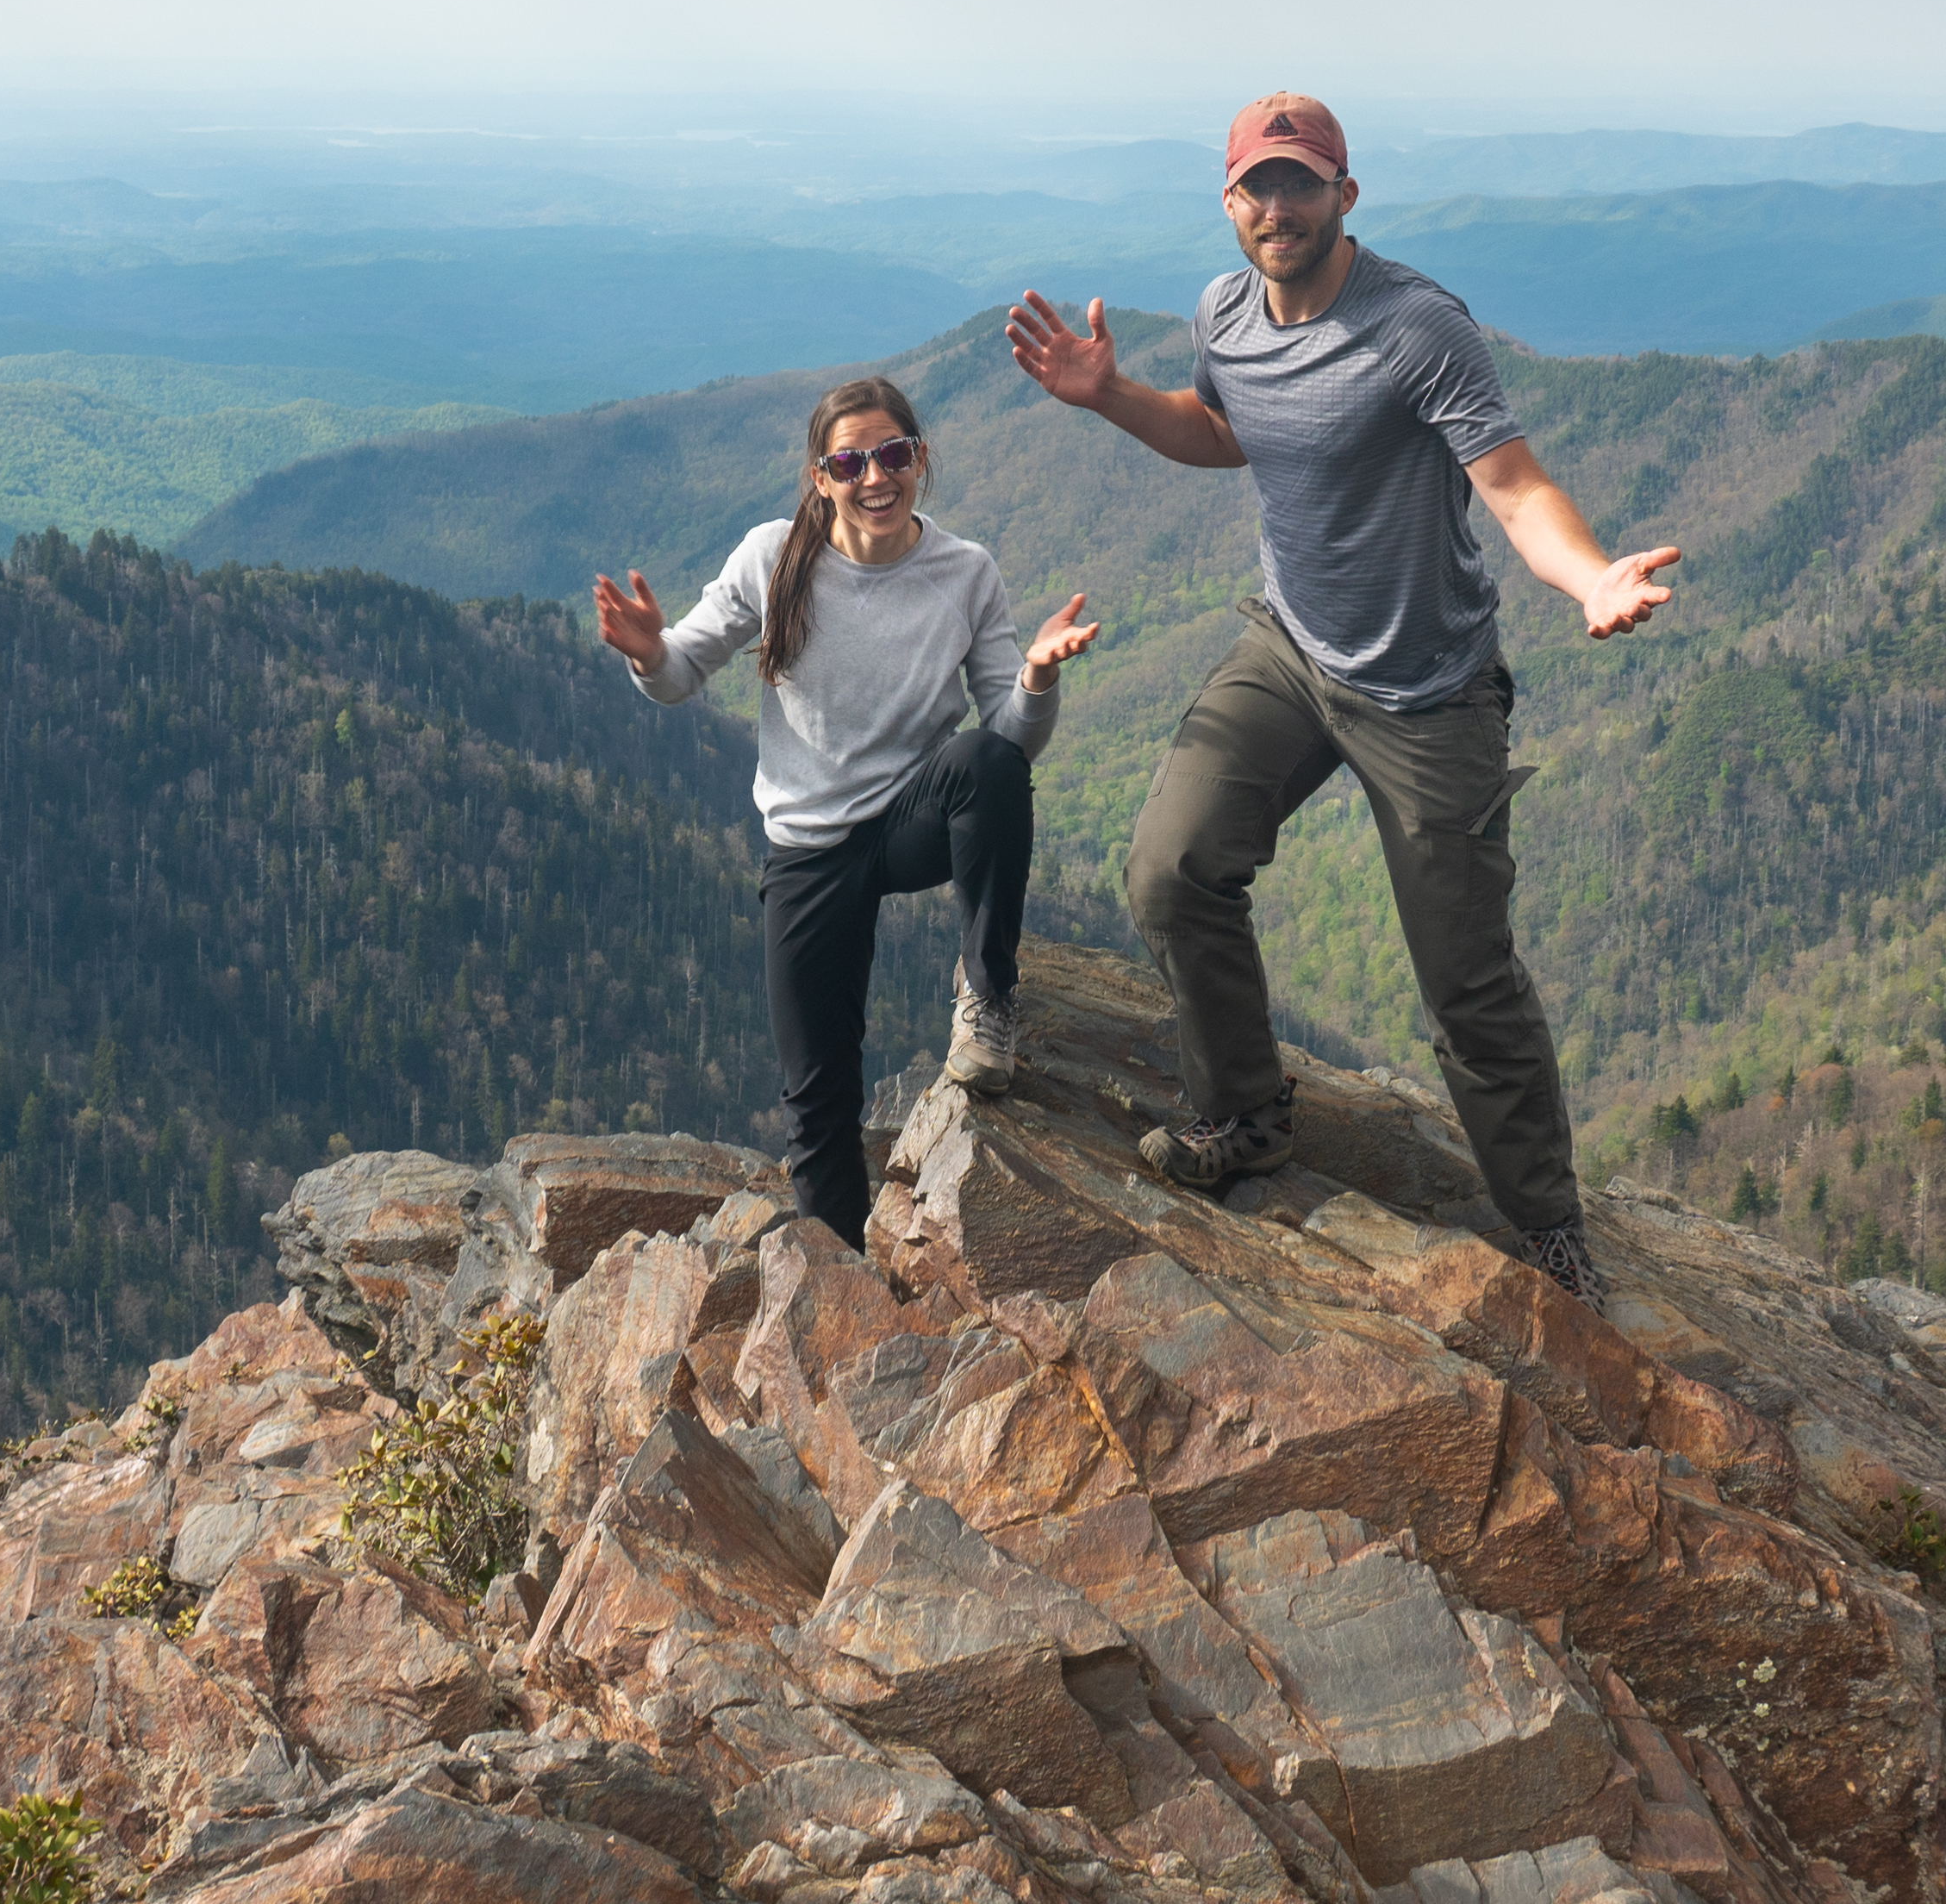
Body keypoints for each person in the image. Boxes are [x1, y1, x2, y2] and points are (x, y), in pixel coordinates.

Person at [1007, 91, 1677, 1302]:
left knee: (1466, 983)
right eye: (1255, 187)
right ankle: (1243, 1112)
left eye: (1300, 184)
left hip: (1429, 688)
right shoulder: (1224, 313)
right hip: (1293, 652)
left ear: (1344, 196)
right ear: (1228, 202)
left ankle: (1549, 1226)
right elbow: (1227, 432)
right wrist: (1109, 393)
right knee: (1171, 868)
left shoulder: (1418, 329)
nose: (1277, 208)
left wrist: (1589, 576)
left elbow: (1516, 488)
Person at [596, 375, 1101, 1239]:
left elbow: (1007, 743)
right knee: (816, 1091)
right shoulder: (770, 558)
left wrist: (1036, 680)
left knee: (987, 762)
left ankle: (986, 997)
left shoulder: (964, 572)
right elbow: (681, 675)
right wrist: (649, 654)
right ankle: (834, 1275)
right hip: (808, 844)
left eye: (892, 455)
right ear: (820, 475)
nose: (874, 477)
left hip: (910, 819)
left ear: (919, 459)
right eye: (849, 461)